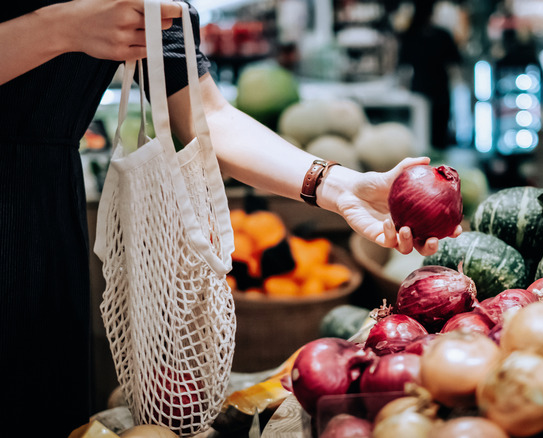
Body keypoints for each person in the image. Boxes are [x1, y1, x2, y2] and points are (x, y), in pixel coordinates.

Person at [0, 0, 460, 435]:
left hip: (46, 211)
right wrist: (59, 28)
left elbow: (207, 116)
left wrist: (337, 186)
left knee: (39, 397)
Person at [397, 0, 462, 150]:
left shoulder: (409, 35)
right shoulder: (443, 34)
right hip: (439, 91)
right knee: (439, 136)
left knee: (420, 137)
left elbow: (402, 66)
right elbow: (455, 62)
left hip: (420, 90)